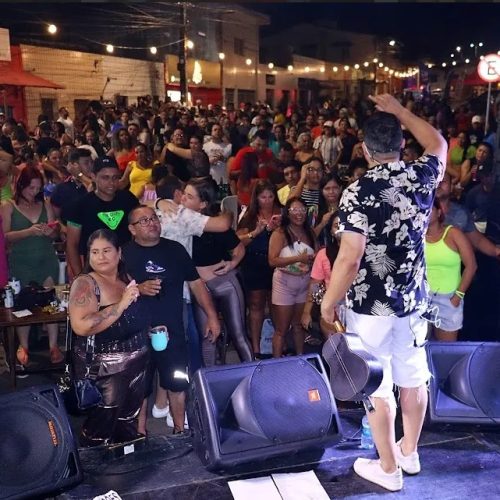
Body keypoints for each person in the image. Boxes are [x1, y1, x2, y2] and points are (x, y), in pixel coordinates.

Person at [321, 94, 447, 492]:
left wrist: (328, 301)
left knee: (375, 383)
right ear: (400, 144)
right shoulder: (421, 175)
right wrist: (400, 110)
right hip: (412, 301)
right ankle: (409, 451)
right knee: (413, 378)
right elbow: (439, 143)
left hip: (371, 306)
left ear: (364, 148)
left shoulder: (357, 191)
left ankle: (388, 468)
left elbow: (350, 257)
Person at [122, 206, 221, 435]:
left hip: (172, 331)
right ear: (132, 229)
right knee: (141, 387)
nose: (151, 223)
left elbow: (196, 284)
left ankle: (180, 431)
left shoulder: (174, 250)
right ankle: (140, 434)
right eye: (143, 220)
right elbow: (114, 289)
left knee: (178, 382)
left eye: (154, 218)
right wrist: (137, 288)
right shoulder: (124, 253)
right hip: (137, 333)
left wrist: (213, 317)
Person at [69, 229, 150, 446]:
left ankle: (126, 465)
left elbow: (132, 318)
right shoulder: (86, 283)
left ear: (119, 253)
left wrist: (150, 330)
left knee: (128, 420)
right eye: (94, 252)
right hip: (105, 369)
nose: (101, 257)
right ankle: (96, 472)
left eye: (106, 250)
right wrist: (121, 304)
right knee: (102, 424)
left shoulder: (127, 278)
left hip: (137, 363)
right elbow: (81, 326)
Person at [185, 179, 253, 366]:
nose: (183, 199)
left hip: (225, 283)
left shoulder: (217, 225)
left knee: (239, 335)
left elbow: (239, 249)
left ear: (203, 203)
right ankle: (210, 386)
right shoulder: (180, 221)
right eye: (184, 194)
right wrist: (161, 202)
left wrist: (232, 264)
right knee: (207, 339)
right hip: (199, 288)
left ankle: (254, 377)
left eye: (189, 196)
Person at [1, 167, 63, 367]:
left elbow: (56, 232)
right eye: (30, 188)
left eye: (38, 188)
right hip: (21, 260)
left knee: (50, 303)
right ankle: (24, 345)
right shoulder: (8, 206)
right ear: (20, 186)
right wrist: (28, 232)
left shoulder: (45, 204)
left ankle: (53, 345)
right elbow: (4, 236)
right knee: (23, 304)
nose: (34, 192)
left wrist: (49, 231)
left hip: (45, 258)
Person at [65, 156, 139, 277]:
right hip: (95, 268)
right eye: (105, 177)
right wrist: (80, 276)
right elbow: (72, 244)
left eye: (115, 177)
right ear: (93, 177)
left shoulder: (128, 199)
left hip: (127, 267)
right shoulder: (79, 205)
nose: (111, 182)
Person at [237, 180, 282, 357]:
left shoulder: (282, 213)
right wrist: (256, 231)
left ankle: (277, 346)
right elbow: (238, 241)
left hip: (276, 264)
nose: (267, 200)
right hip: (254, 263)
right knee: (255, 305)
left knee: (276, 305)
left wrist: (278, 229)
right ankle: (255, 348)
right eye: (263, 197)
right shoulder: (248, 215)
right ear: (257, 198)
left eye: (271, 196)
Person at [269, 197, 316, 358]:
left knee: (298, 325)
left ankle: (300, 358)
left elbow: (315, 256)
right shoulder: (280, 233)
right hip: (284, 282)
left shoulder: (309, 232)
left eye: (302, 210)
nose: (299, 213)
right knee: (281, 329)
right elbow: (272, 260)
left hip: (304, 283)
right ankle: (276, 363)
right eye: (294, 210)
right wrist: (297, 259)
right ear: (287, 213)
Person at [425, 198, 476, 341]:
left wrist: (457, 296)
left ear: (439, 212)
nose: (426, 212)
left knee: (444, 351)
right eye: (422, 209)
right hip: (422, 298)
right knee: (419, 351)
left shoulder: (453, 233)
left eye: (430, 209)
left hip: (448, 298)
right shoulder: (416, 236)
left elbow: (471, 266)